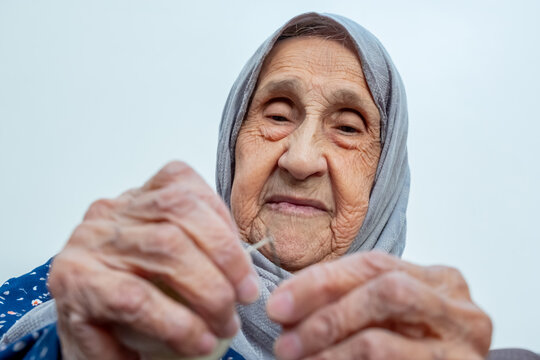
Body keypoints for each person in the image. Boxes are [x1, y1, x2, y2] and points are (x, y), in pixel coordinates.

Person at [0, 12, 537, 360]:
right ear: (232, 143)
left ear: (387, 176)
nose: (301, 158)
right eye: (277, 115)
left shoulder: (449, 350)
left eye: (348, 128)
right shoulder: (90, 290)